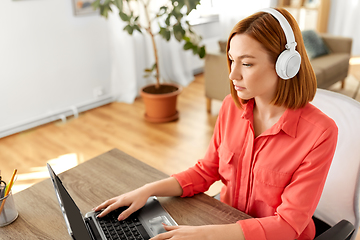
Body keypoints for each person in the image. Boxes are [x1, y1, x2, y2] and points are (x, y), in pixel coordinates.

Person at [94, 8, 338, 240]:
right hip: (226, 225)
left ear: (286, 66)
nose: (233, 75)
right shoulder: (231, 108)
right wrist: (148, 191)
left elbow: (287, 226)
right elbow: (206, 171)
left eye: (247, 63)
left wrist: (204, 234)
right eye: (232, 60)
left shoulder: (320, 133)